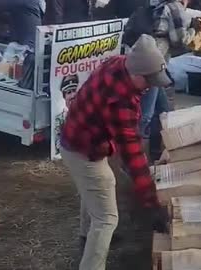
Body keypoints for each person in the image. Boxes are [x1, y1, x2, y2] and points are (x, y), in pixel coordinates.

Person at [60, 34, 172, 270]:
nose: (152, 86)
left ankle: (84, 235)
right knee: (107, 217)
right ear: (137, 75)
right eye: (150, 81)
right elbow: (133, 157)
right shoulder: (121, 102)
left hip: (81, 136)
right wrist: (152, 204)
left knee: (96, 187)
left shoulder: (119, 62)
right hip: (83, 147)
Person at [140, 0, 200, 161]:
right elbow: (180, 39)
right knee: (146, 115)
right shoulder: (175, 7)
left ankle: (156, 154)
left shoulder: (160, 5)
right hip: (154, 64)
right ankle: (134, 156)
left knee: (163, 111)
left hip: (152, 60)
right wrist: (195, 29)